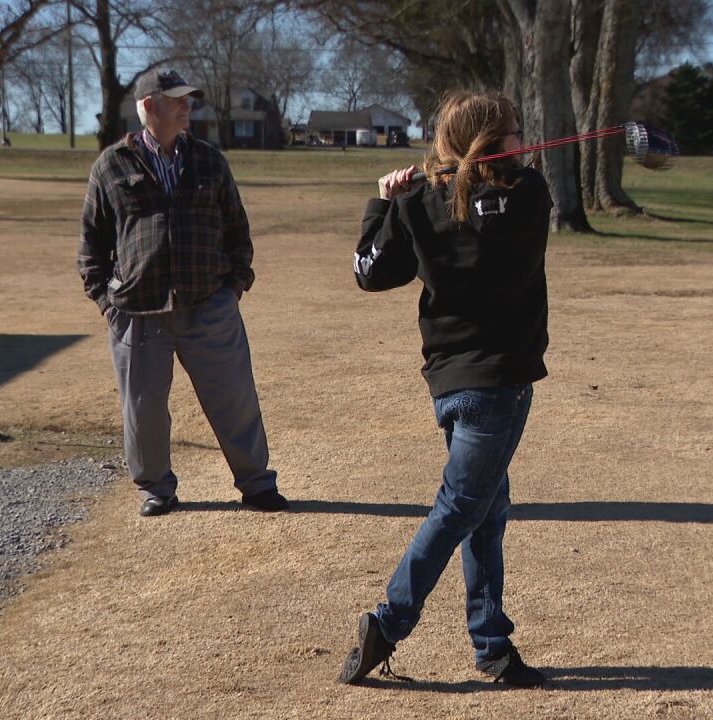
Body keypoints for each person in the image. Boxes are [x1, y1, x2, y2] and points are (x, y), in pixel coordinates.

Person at [338, 91, 551, 688]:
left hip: (453, 384)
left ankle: (492, 645)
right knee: (462, 505)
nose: (523, 139)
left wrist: (385, 205)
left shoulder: (421, 205)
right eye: (514, 131)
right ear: (489, 142)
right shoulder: (529, 193)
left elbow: (370, 271)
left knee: (486, 508)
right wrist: (401, 204)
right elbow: (376, 277)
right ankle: (389, 620)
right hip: (496, 388)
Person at [77, 69, 287, 517]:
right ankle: (157, 489)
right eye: (176, 99)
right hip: (138, 312)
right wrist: (106, 303)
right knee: (144, 411)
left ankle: (256, 484)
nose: (187, 105)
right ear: (149, 106)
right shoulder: (111, 165)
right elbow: (91, 245)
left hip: (208, 304)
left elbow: (237, 232)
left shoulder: (210, 161)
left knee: (235, 398)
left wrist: (232, 289)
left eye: (188, 98)